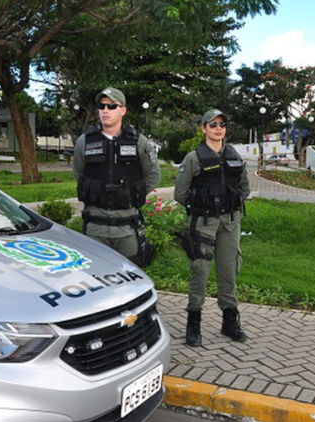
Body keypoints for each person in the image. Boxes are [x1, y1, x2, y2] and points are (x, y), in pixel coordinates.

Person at [174, 109, 250, 347]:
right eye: (213, 124)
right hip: (203, 223)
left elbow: (245, 188)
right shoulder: (194, 158)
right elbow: (180, 194)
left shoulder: (233, 154)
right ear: (203, 128)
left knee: (228, 271)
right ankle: (193, 323)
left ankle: (229, 322)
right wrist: (201, 205)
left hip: (230, 223)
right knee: (200, 272)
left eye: (222, 124)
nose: (218, 128)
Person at [73, 87, 160, 267]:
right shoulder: (85, 141)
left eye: (112, 106)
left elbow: (153, 175)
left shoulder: (138, 141)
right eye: (102, 106)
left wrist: (131, 194)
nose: (105, 110)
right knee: (96, 278)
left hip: (127, 227)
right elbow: (79, 174)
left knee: (131, 277)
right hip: (95, 227)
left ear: (123, 110)